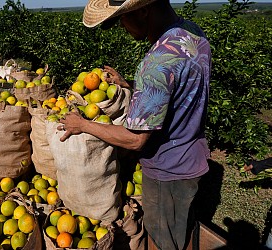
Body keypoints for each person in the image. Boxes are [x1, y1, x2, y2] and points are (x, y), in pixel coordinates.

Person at [58, 0, 212, 249]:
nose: (121, 25)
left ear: (142, 10)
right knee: (182, 228)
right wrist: (133, 85)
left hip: (168, 171)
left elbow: (135, 138)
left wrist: (83, 125)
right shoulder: (191, 33)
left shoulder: (157, 62)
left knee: (165, 242)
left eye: (123, 17)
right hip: (191, 155)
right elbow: (175, 88)